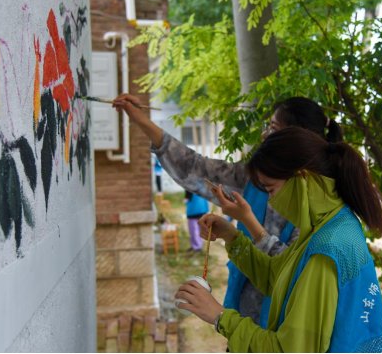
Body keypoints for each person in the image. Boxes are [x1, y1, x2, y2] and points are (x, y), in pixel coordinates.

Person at [112, 94, 342, 327]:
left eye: (272, 128)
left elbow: (292, 270)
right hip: (243, 315)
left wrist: (248, 221)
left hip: (285, 324)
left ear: (296, 138)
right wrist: (142, 120)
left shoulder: (322, 204)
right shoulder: (255, 177)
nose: (264, 135)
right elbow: (196, 167)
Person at [175, 127, 382, 352]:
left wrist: (219, 317)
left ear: (302, 179)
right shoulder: (333, 223)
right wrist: (232, 237)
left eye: (271, 189)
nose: (270, 201)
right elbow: (279, 277)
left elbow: (287, 349)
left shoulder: (325, 252)